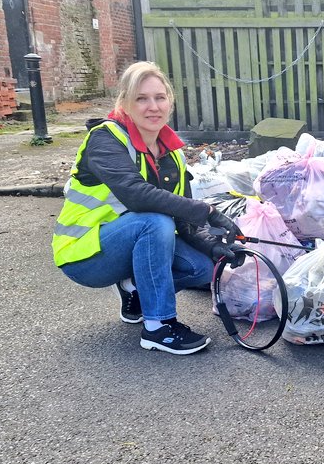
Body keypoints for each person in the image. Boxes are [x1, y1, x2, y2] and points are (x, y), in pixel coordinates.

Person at [52, 61, 242, 355]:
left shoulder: (171, 154)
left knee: (202, 268)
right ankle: (159, 327)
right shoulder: (105, 139)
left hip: (126, 244)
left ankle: (134, 290)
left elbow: (182, 220)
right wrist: (207, 210)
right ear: (125, 103)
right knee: (154, 222)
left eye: (159, 98)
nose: (153, 106)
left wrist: (212, 247)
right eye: (141, 99)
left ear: (170, 102)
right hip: (84, 255)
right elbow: (137, 196)